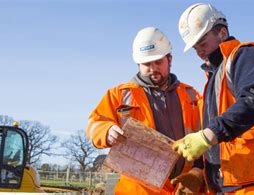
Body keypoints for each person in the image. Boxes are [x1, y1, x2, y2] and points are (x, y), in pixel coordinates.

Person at [172, 3, 254, 194]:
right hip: (232, 183)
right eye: (195, 47)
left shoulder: (247, 55)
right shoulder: (214, 77)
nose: (199, 52)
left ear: (222, 33)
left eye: (202, 43)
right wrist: (199, 170)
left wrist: (207, 136)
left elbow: (252, 101)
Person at [86, 27, 203, 194]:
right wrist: (107, 130)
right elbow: (93, 125)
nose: (153, 68)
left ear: (169, 59)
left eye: (158, 62)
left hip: (182, 186)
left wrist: (197, 172)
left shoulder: (191, 95)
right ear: (138, 64)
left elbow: (207, 136)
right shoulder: (119, 94)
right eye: (147, 64)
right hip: (137, 188)